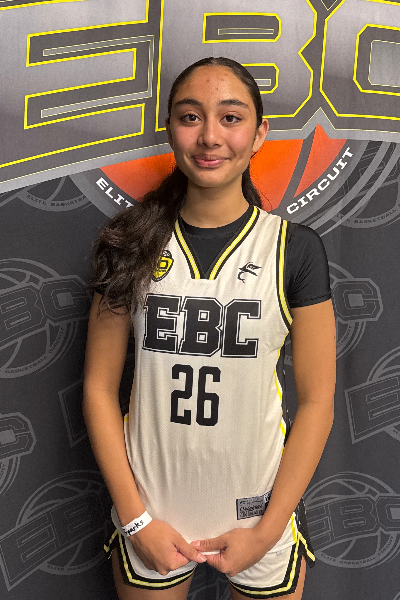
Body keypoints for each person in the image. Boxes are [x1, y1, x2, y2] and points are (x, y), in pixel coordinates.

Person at [83, 57, 336, 600]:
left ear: (260, 132)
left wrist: (266, 533)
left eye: (231, 117)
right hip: (151, 515)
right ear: (170, 129)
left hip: (259, 515)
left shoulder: (293, 248)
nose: (210, 137)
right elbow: (99, 389)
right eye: (191, 116)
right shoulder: (129, 243)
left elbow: (318, 401)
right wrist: (136, 521)